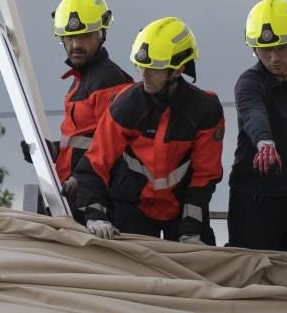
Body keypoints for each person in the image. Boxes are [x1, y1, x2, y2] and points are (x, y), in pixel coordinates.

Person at [72, 17, 224, 244]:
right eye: (141, 66)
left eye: (153, 69)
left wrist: (192, 228)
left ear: (178, 69)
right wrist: (96, 216)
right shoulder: (126, 105)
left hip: (181, 207)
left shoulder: (205, 110)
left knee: (200, 268)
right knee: (129, 272)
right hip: (132, 205)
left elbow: (204, 176)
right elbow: (95, 163)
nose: (144, 75)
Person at [229, 0, 287, 293]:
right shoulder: (249, 81)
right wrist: (264, 141)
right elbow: (253, 112)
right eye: (264, 50)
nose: (273, 58)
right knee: (253, 281)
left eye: (281, 47)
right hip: (253, 198)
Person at [35, 0, 132, 218]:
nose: (76, 44)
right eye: (69, 37)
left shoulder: (109, 81)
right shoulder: (83, 80)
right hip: (74, 197)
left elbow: (113, 149)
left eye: (85, 36)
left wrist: (82, 184)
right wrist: (54, 151)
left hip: (96, 202)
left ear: (102, 33)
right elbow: (83, 141)